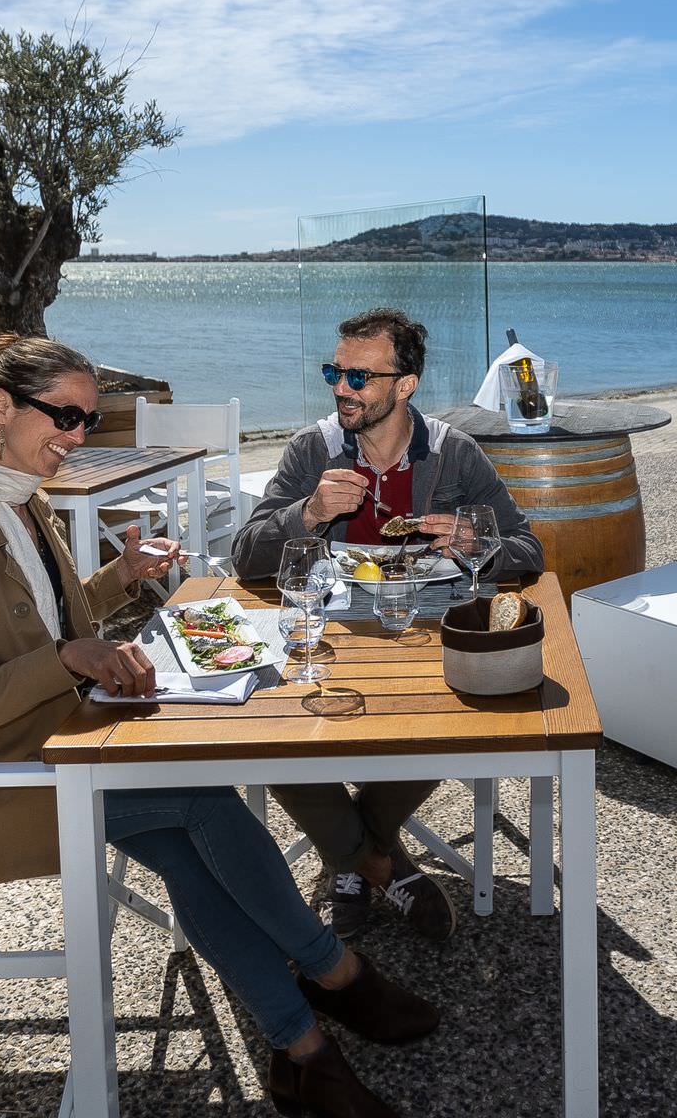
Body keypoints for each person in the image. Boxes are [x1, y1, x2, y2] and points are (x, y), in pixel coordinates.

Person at [0, 333, 436, 1118]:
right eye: (64, 416)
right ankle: (334, 973)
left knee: (192, 855)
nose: (78, 438)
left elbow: (40, 627)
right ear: (1, 406)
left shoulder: (16, 498)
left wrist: (119, 577)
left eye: (89, 420)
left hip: (52, 748)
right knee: (201, 799)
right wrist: (69, 658)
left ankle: (300, 1048)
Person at [233, 308, 544, 941]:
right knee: (270, 736)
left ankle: (349, 859)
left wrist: (474, 540)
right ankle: (381, 864)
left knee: (452, 716)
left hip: (425, 637)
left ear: (404, 385)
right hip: (328, 636)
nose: (341, 388)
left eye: (359, 377)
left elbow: (528, 552)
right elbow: (246, 557)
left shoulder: (453, 454)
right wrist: (309, 512)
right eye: (334, 372)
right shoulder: (313, 450)